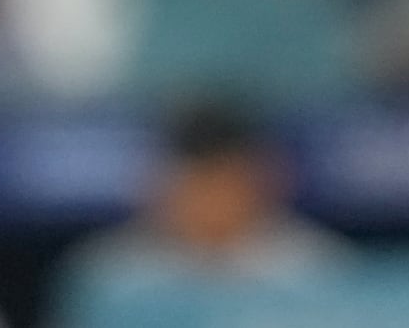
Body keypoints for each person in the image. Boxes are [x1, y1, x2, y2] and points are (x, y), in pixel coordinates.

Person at [49, 99, 350, 328]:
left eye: (225, 181)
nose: (211, 202)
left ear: (265, 180)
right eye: (197, 182)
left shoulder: (316, 269)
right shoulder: (108, 274)